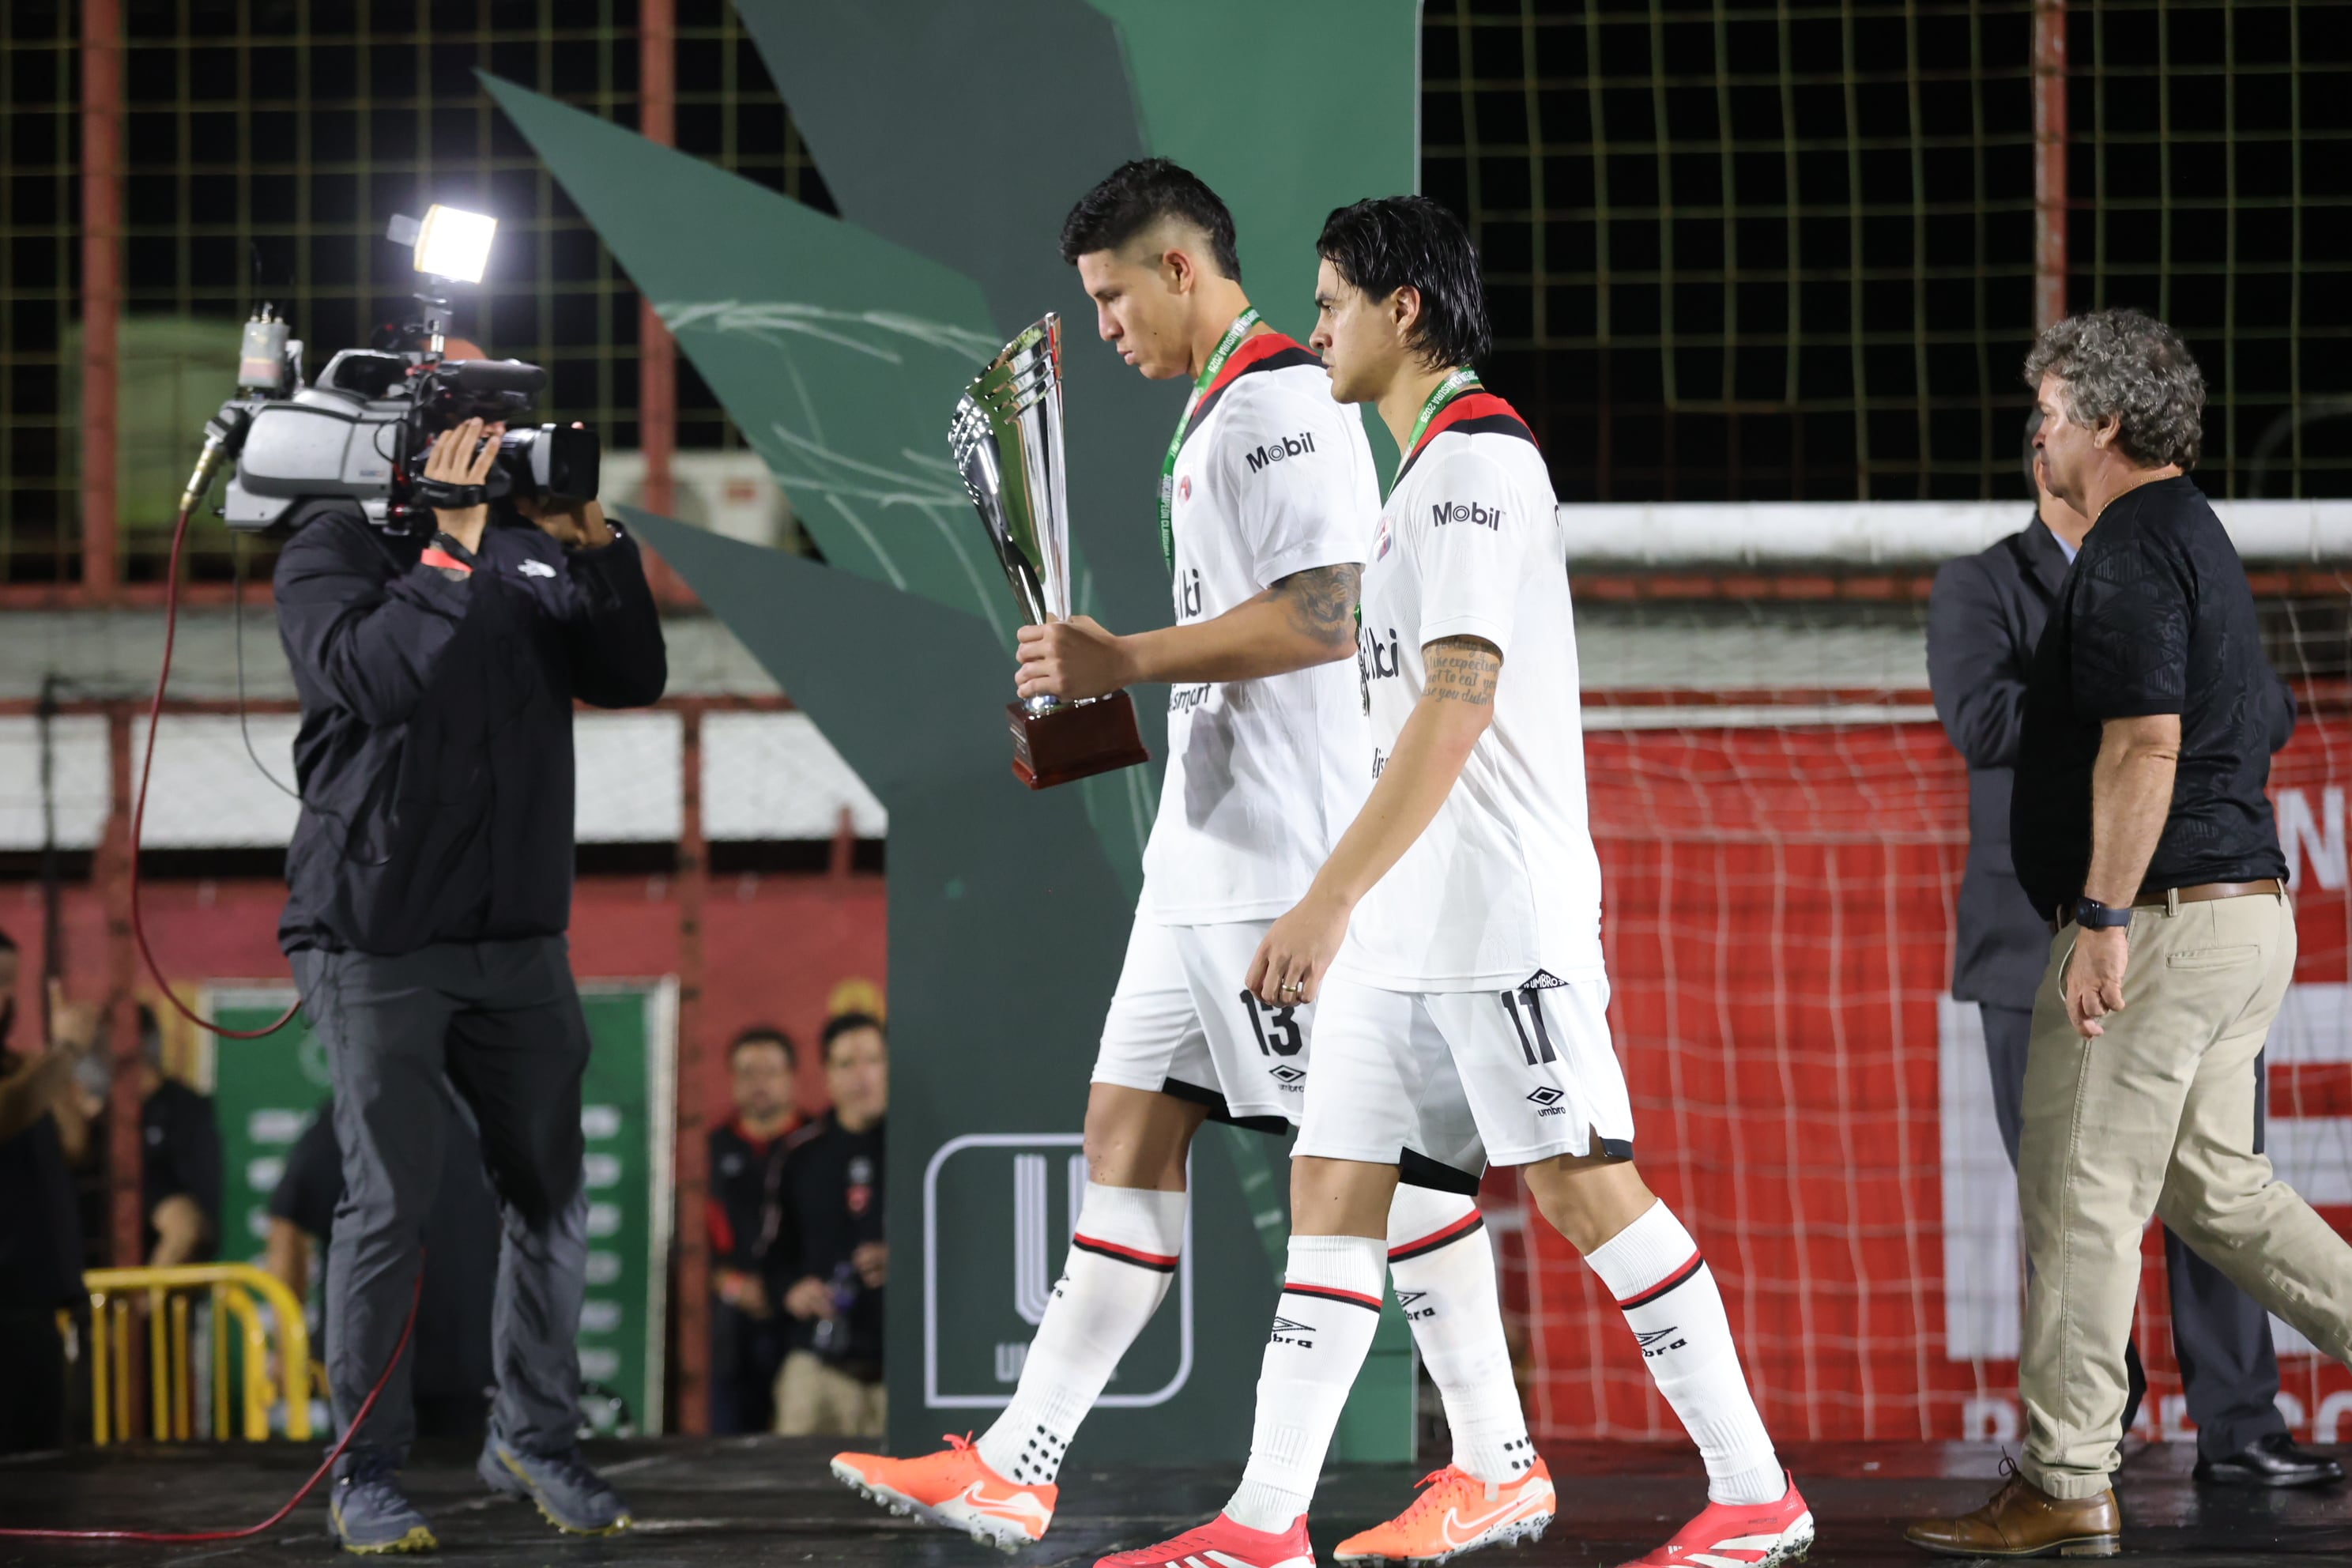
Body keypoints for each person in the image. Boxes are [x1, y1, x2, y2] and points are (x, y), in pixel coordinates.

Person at [831, 160, 1553, 1563]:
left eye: (1110, 296)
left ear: (1176, 266)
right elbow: (1236, 652)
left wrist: (1131, 658)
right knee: (1125, 1133)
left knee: (1376, 1172)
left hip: (1275, 864)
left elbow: (1334, 608)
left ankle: (1490, 1456)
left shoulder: (1283, 397)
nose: (1101, 327)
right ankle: (1017, 1462)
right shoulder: (1217, 407)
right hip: (1198, 858)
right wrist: (1089, 704)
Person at [1106, 197, 1815, 1568]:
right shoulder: (1410, 476)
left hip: (1499, 915)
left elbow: (1457, 705)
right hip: (1400, 925)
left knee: (1581, 1187)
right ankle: (1266, 1523)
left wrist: (1320, 895)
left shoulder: (1480, 459)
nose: (1313, 331)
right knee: (1335, 1187)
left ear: (1404, 310)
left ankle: (1753, 1487)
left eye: (1330, 305)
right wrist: (1354, 902)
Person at [1906, 308, 2352, 1558]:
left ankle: (2062, 1478)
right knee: (2222, 1192)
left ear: (2104, 422)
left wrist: (2101, 915)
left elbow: (2147, 741)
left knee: (2084, 1198)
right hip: (2237, 918)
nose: (2033, 433)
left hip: (2159, 925)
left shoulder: (2131, 546)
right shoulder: (2192, 532)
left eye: (2048, 410)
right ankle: (2073, 1462)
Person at [273, 332, 665, 1551]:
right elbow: (375, 676)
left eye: (501, 426)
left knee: (550, 1196)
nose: (492, 449)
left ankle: (533, 1439)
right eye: (469, 426)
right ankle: (365, 1471)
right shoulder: (329, 547)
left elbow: (634, 673)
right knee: (388, 1203)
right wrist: (446, 542)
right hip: (377, 932)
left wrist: (596, 541)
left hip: (516, 932)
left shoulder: (538, 552)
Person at [267, 1095, 501, 1443]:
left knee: (470, 1491)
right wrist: (287, 1347)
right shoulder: (351, 1111)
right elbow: (290, 1224)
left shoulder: (495, 1116)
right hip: (369, 1371)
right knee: (367, 1483)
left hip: (471, 1369)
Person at [0, 930, 96, 1453]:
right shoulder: (23, 1086)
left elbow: (74, 1145)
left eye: (11, 985)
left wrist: (54, 1070)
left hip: (33, 1313)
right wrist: (67, 1050)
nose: (6, 1000)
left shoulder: (21, 1072)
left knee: (43, 1473)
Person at [773, 1013, 888, 1437]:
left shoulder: (926, 1150)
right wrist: (792, 1290)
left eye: (873, 1060)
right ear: (826, 1076)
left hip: (907, 1368)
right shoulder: (801, 1155)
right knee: (794, 1491)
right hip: (820, 1364)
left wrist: (907, 1260)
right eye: (846, 1064)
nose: (862, 1076)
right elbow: (771, 1258)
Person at [707, 1025, 802, 1434]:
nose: (758, 1083)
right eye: (747, 1073)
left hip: (799, 1300)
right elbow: (702, 1239)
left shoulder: (814, 1143)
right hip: (735, 1305)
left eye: (769, 1071)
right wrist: (732, 1284)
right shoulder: (712, 1150)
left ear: (792, 1076)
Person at [132, 1008, 223, 1268]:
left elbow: (189, 1226)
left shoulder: (186, 1109)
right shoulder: (105, 1116)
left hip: (171, 1290)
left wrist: (144, 1302)